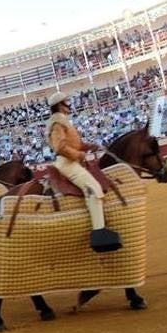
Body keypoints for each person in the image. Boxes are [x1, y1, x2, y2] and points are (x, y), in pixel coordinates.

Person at [46, 91, 121, 252]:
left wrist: (87, 146)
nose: (69, 104)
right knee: (93, 189)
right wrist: (79, 154)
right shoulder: (57, 123)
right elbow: (60, 147)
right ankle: (99, 233)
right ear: (60, 105)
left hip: (71, 161)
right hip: (67, 163)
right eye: (67, 101)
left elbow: (73, 144)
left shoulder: (62, 121)